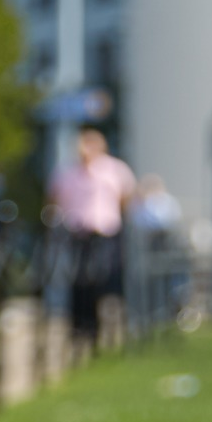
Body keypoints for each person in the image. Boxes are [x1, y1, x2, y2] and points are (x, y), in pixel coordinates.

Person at [48, 126, 135, 352]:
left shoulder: (115, 169)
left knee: (107, 280)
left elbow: (125, 197)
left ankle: (107, 329)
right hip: (78, 234)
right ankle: (80, 327)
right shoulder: (66, 173)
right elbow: (55, 199)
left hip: (106, 233)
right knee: (79, 283)